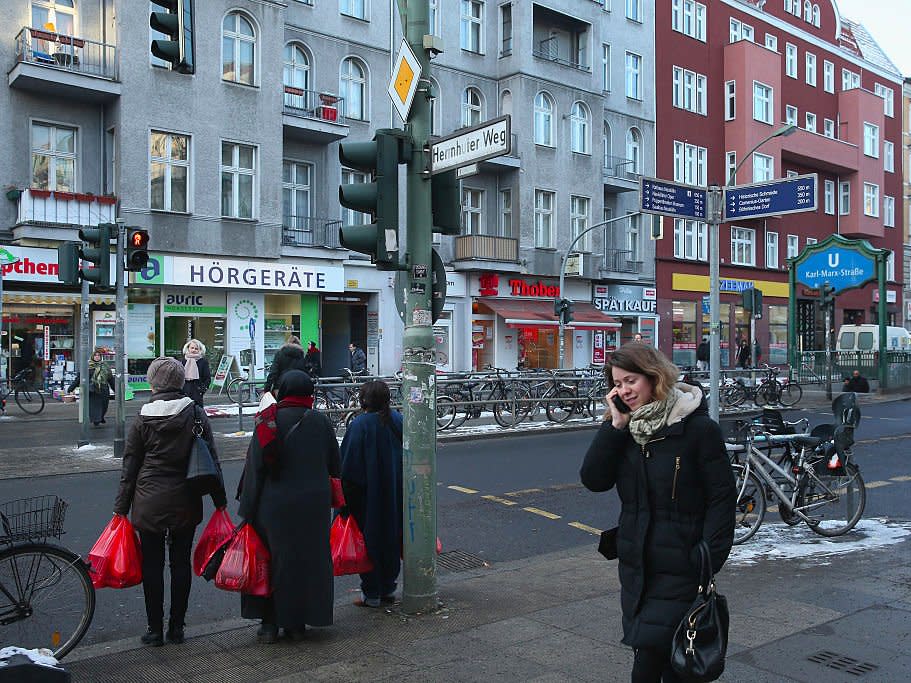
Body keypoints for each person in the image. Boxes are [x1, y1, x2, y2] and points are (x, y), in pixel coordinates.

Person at [580, 343, 736, 683]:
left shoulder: (697, 430)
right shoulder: (628, 430)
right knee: (662, 658)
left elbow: (722, 499)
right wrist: (615, 426)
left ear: (654, 378)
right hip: (637, 570)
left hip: (682, 568)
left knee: (658, 662)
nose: (623, 390)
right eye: (617, 384)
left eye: (630, 381)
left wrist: (707, 558)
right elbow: (593, 479)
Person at [114, 357, 227, 647]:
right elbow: (211, 459)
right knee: (180, 564)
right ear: (180, 382)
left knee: (152, 566)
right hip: (185, 498)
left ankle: (154, 630)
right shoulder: (196, 414)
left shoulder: (142, 417)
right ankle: (177, 628)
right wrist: (220, 502)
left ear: (153, 383)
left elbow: (130, 466)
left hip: (148, 500)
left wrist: (120, 510)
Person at [238, 370, 340, 643]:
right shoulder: (321, 422)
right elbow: (335, 465)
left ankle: (269, 623)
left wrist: (246, 511)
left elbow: (254, 470)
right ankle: (297, 623)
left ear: (282, 391)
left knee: (270, 561)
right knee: (307, 562)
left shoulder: (268, 422)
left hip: (273, 504)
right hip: (313, 505)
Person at [339, 380, 404, 608]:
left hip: (367, 497)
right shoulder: (398, 420)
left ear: (364, 399)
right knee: (392, 539)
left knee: (369, 542)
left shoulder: (359, 425)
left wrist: (343, 504)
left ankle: (372, 593)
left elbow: (347, 467)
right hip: (395, 494)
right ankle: (388, 588)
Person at [68, 349, 115, 426]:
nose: (97, 357)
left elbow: (111, 379)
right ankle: (96, 420)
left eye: (98, 355)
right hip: (93, 390)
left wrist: (116, 389)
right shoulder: (88, 366)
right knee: (95, 407)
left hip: (104, 390)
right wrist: (71, 388)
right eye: (95, 355)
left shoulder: (105, 366)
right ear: (92, 357)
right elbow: (79, 378)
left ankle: (100, 417)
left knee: (104, 406)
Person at [181, 339, 211, 407]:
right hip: (184, 392)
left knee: (198, 414)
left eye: (196, 348)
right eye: (192, 348)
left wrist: (202, 390)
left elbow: (207, 378)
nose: (193, 350)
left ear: (199, 350)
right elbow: (179, 377)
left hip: (197, 392)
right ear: (188, 348)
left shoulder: (203, 362)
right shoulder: (183, 361)